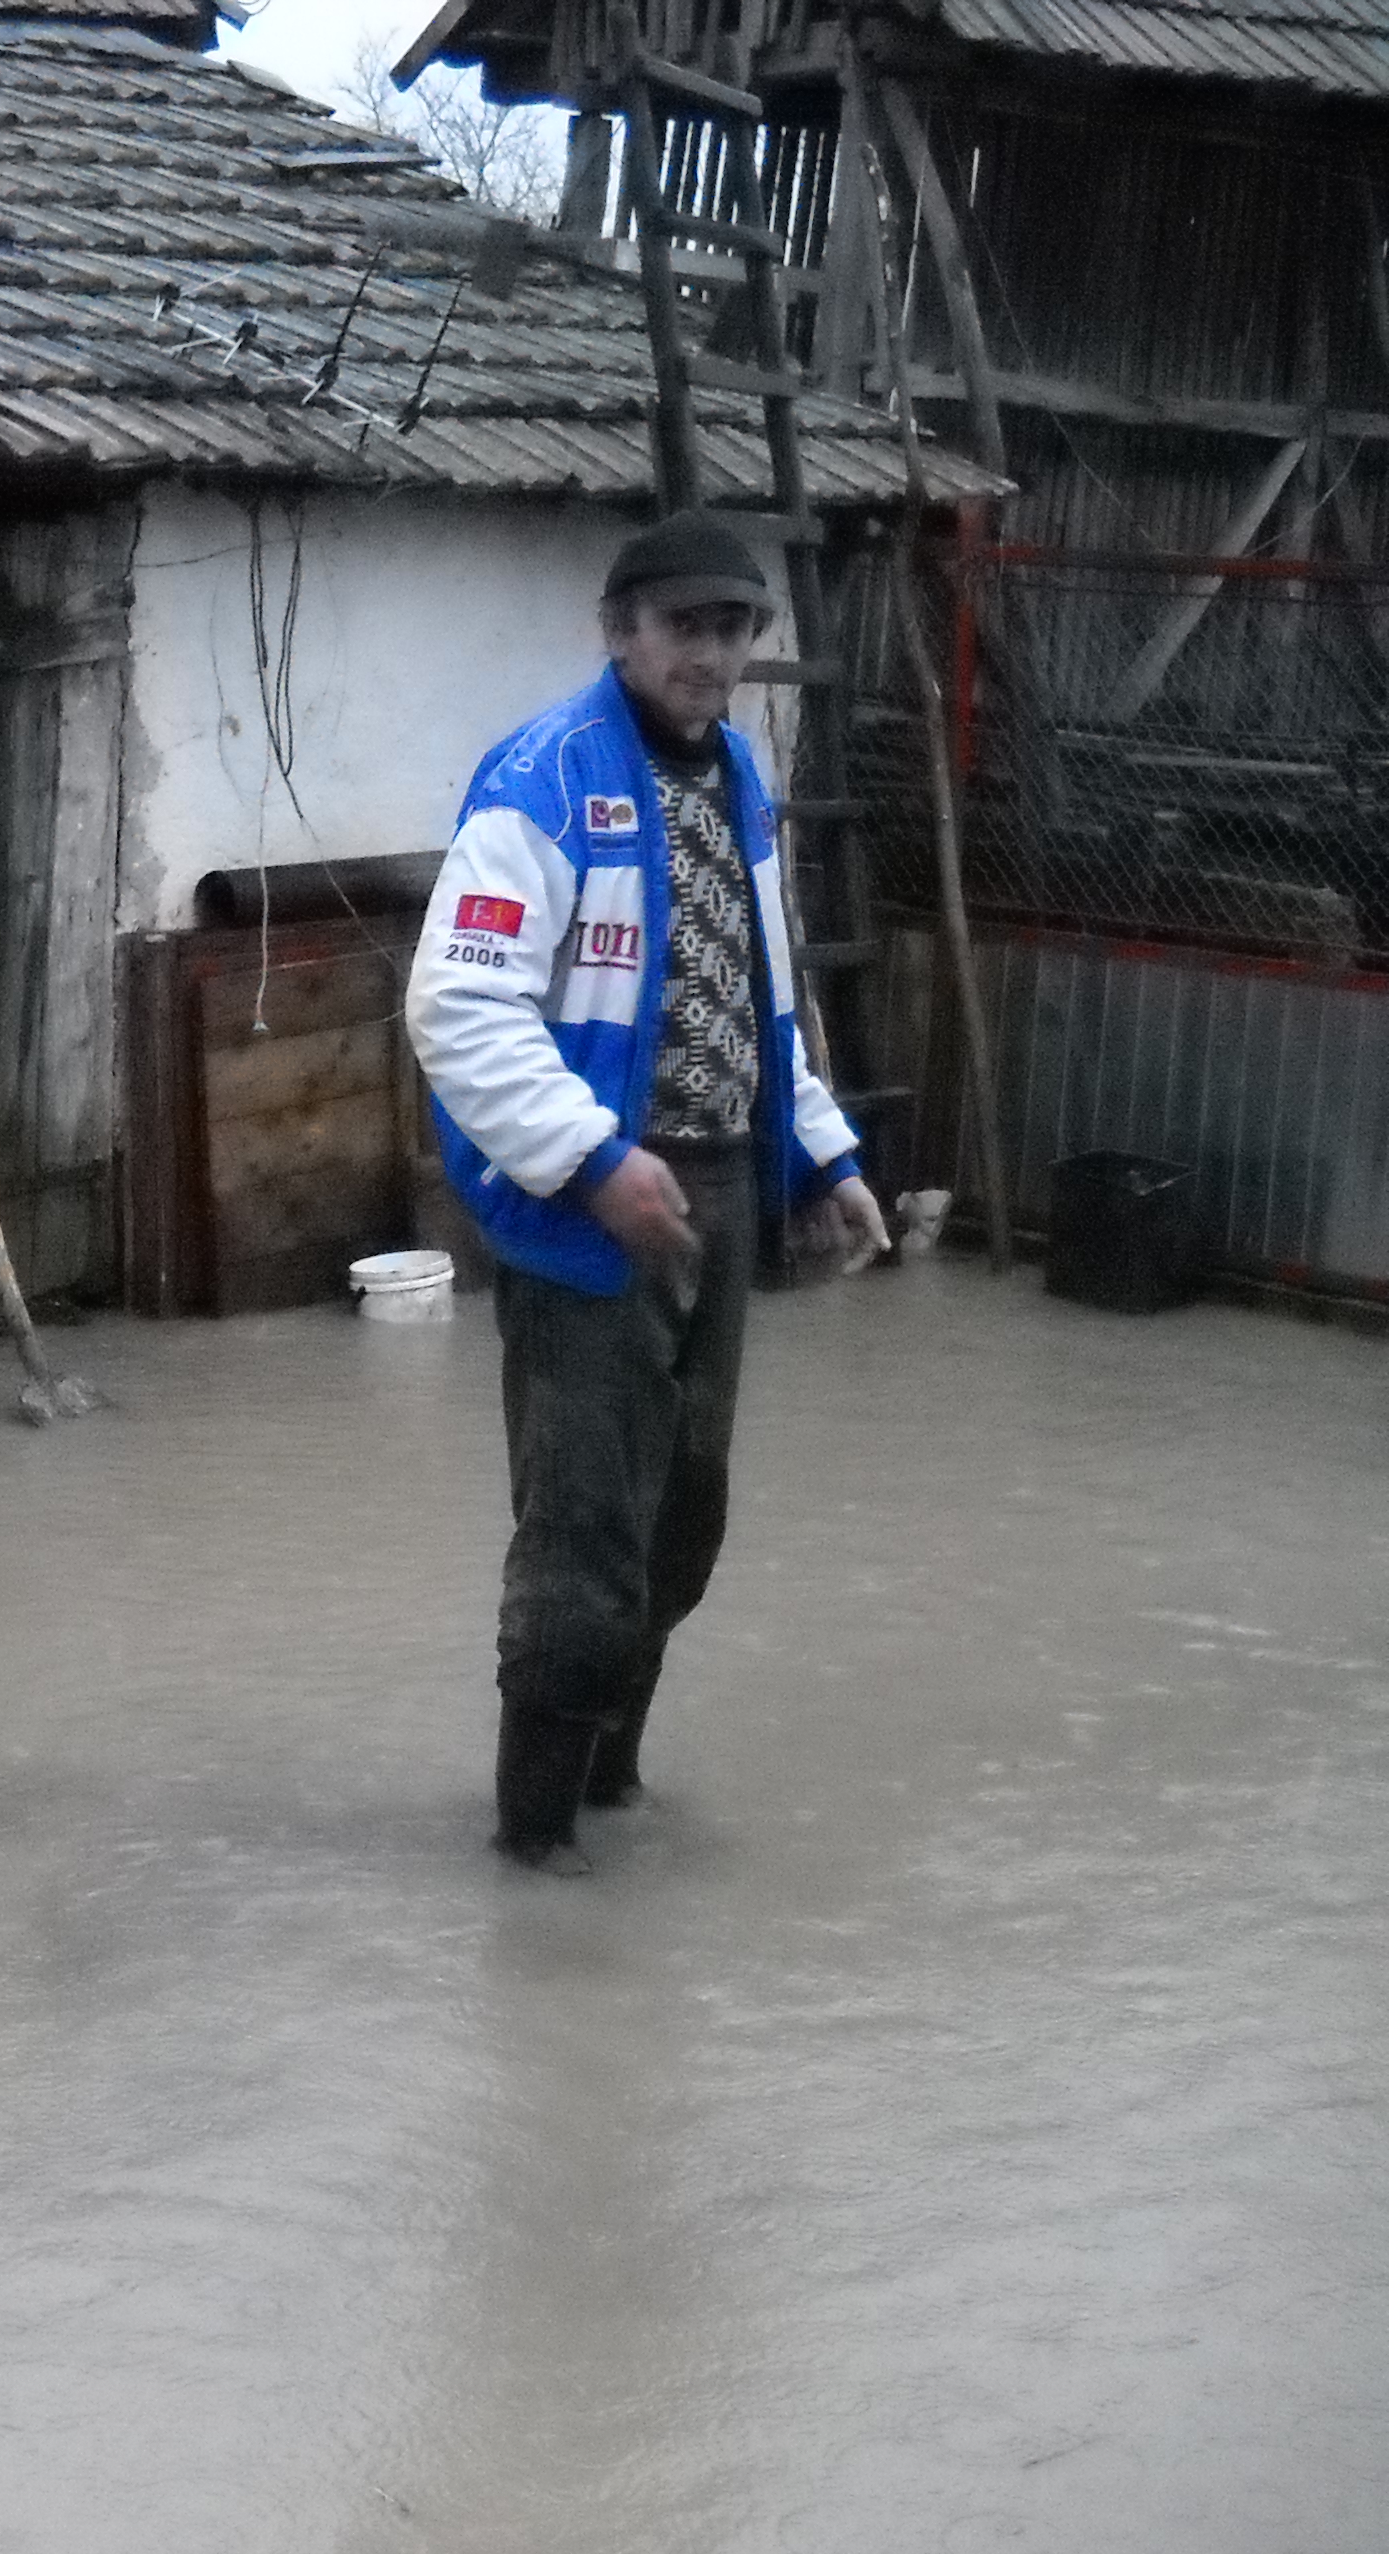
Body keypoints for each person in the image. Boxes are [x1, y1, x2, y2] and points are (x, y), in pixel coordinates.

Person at [405, 513, 891, 1874]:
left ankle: (609, 1775)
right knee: (586, 1528)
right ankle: (534, 1838)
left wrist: (826, 1156)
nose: (711, 655)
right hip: (591, 1204)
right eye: (684, 626)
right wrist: (595, 1160)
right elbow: (458, 1008)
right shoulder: (544, 783)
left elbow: (762, 1002)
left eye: (734, 629)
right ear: (618, 632)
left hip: (721, 1186)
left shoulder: (740, 778)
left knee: (686, 1512)